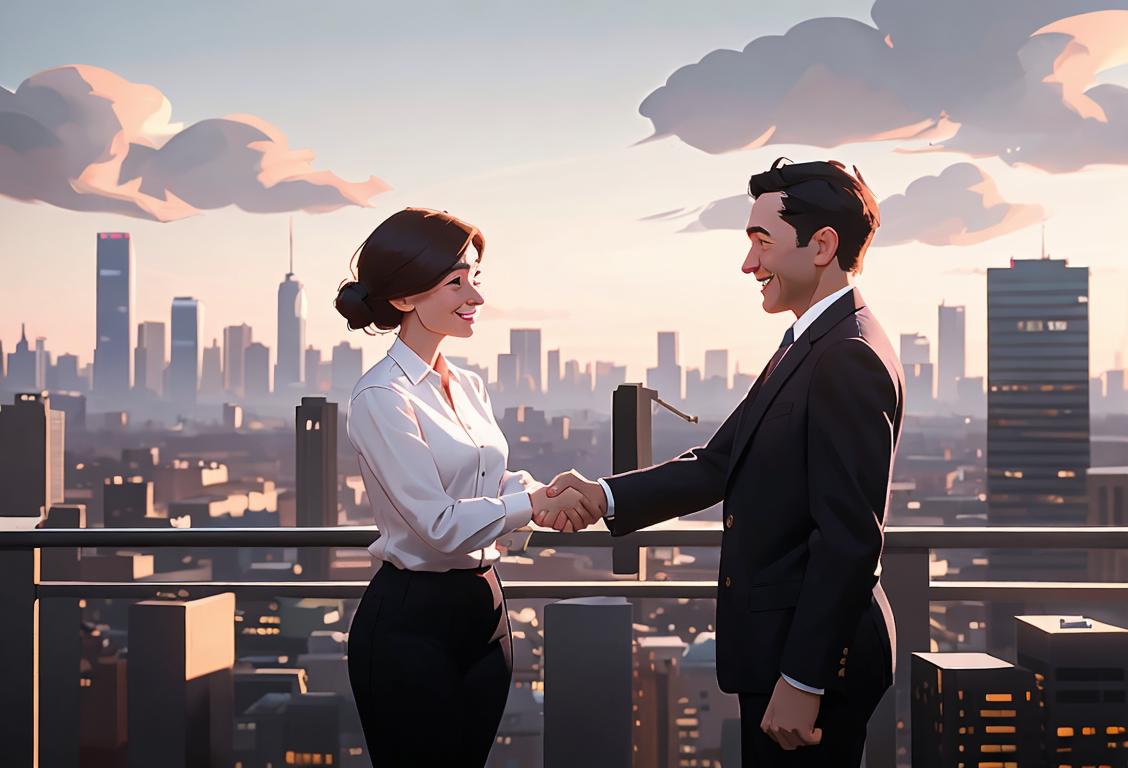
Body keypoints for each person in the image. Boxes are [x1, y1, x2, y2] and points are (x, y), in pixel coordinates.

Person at [549, 159, 903, 766]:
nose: (748, 264)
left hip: (812, 660)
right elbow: (717, 465)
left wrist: (803, 681)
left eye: (761, 243)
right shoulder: (811, 342)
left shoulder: (846, 356)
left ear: (822, 246)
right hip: (786, 647)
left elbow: (848, 540)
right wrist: (602, 495)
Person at [336, 207, 597, 766]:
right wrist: (529, 505)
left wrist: (540, 493)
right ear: (406, 298)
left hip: (486, 608)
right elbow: (437, 524)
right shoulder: (382, 397)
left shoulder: (469, 384)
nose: (475, 296)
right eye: (456, 281)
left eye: (475, 278)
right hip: (410, 619)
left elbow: (492, 478)